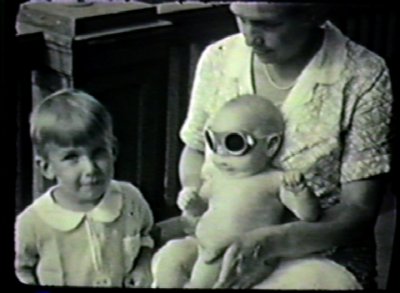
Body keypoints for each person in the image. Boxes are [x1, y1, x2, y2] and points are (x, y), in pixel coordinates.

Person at [176, 2, 393, 290]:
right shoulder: (219, 59)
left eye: (268, 24)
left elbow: (358, 208)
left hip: (318, 254)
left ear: (314, 15)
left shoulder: (363, 74)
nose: (250, 37)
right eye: (241, 19)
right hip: (217, 243)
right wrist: (197, 203)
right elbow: (194, 150)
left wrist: (271, 242)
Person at [151, 95, 320, 288]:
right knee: (172, 255)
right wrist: (192, 203)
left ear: (271, 145)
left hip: (236, 256)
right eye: (213, 142)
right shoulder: (217, 176)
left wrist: (300, 192)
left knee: (204, 280)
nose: (221, 154)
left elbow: (308, 215)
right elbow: (201, 206)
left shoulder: (273, 180)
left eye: (234, 143)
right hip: (201, 244)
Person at [14, 89, 154, 287]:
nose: (90, 168)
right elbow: (21, 271)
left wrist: (143, 265)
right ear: (47, 167)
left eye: (98, 152)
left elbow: (146, 238)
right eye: (72, 158)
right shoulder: (31, 224)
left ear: (113, 150)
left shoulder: (130, 199)